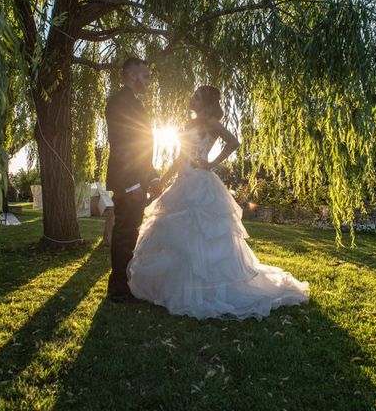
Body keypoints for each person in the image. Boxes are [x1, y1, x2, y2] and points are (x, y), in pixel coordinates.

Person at [127, 85, 309, 319]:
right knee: (179, 235)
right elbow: (180, 156)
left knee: (202, 234)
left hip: (200, 183)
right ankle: (176, 287)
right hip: (182, 181)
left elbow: (233, 142)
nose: (191, 98)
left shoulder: (211, 122)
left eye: (196, 96)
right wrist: (162, 180)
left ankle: (206, 290)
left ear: (204, 102)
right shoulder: (188, 124)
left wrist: (211, 164)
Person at [105, 58, 162, 302]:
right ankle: (118, 290)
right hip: (128, 183)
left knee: (131, 234)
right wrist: (132, 184)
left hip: (138, 180)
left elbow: (142, 146)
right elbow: (121, 146)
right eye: (145, 75)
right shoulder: (119, 102)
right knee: (125, 233)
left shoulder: (135, 104)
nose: (148, 80)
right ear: (131, 76)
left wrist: (152, 175)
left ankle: (127, 284)